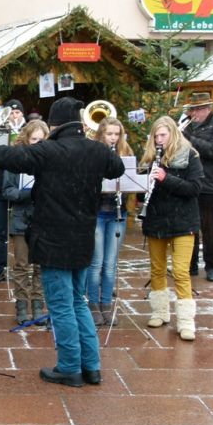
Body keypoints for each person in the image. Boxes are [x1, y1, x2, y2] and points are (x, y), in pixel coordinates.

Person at [0, 97, 125, 387]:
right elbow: (116, 168)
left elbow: (11, 157)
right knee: (79, 301)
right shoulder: (96, 150)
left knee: (62, 306)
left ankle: (69, 367)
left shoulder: (50, 151)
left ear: (54, 124)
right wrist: (94, 148)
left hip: (54, 240)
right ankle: (91, 367)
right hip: (83, 238)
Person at [139, 116, 203, 341]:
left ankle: (186, 321)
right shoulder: (150, 158)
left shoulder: (190, 155)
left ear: (173, 134)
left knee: (180, 271)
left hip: (183, 221)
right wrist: (143, 186)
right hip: (156, 220)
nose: (159, 140)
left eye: (163, 135)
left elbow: (195, 188)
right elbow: (140, 193)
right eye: (155, 136)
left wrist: (166, 178)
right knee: (157, 269)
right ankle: (160, 312)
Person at [86, 117, 135, 327]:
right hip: (97, 213)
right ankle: (93, 304)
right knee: (95, 262)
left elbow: (133, 182)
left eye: (117, 134)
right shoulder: (93, 153)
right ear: (101, 135)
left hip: (117, 213)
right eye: (109, 134)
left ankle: (107, 304)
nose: (113, 138)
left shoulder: (126, 154)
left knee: (110, 264)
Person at [2, 120, 49, 324]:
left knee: (40, 265)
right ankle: (21, 305)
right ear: (27, 139)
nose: (38, 143)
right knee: (21, 265)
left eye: (42, 140)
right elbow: (7, 191)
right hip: (21, 218)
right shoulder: (16, 161)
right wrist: (26, 194)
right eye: (34, 139)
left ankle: (38, 305)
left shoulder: (50, 160)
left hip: (43, 218)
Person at [181, 92, 213, 282]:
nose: (194, 112)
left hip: (208, 183)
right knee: (190, 226)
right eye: (192, 109)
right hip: (189, 182)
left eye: (198, 109)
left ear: (208, 109)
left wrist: (188, 138)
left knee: (209, 227)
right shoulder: (188, 126)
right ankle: (190, 265)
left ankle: (212, 266)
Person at [0, 99, 23, 285]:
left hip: (21, 187)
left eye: (17, 113)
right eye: (11, 114)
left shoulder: (28, 132)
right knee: (0, 232)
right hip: (1, 186)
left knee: (22, 231)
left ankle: (22, 268)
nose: (14, 117)